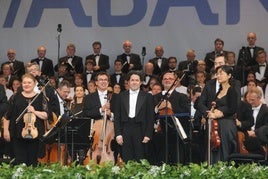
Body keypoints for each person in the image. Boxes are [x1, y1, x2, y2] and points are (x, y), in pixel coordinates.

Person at [3, 73, 50, 166]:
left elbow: (46, 115)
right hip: (18, 135)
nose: (26, 84)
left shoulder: (40, 97)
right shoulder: (15, 97)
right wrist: (5, 131)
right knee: (19, 162)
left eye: (29, 82)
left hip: (35, 136)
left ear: (34, 84)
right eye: (24, 83)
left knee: (33, 162)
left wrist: (34, 111)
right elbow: (7, 116)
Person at [114, 71, 154, 163]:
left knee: (140, 157)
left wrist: (148, 134)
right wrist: (118, 134)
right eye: (132, 80)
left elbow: (150, 117)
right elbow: (117, 117)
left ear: (140, 82)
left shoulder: (148, 97)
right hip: (125, 129)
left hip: (141, 129)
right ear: (128, 82)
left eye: (137, 80)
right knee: (126, 157)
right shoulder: (120, 96)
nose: (134, 82)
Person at [153, 72, 190, 164]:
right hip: (159, 134)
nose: (167, 80)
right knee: (160, 160)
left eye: (170, 79)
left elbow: (187, 113)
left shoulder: (182, 96)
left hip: (176, 135)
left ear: (176, 82)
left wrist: (171, 107)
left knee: (176, 160)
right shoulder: (154, 97)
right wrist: (157, 108)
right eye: (165, 79)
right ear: (162, 82)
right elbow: (149, 114)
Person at [205, 65, 238, 163]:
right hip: (217, 125)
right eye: (217, 73)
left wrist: (221, 113)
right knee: (216, 150)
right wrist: (212, 112)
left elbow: (233, 109)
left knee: (225, 149)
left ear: (229, 75)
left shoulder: (231, 90)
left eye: (221, 73)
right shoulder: (219, 91)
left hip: (227, 125)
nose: (218, 76)